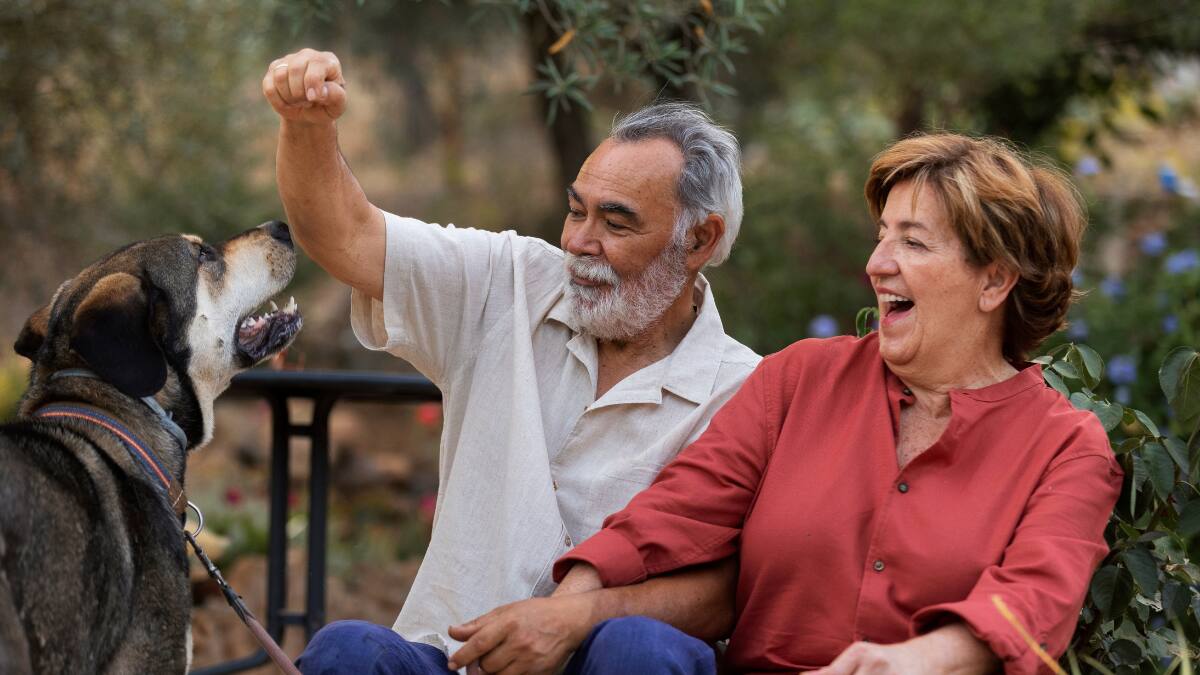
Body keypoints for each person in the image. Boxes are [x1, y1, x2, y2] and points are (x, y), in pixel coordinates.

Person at [450, 133, 1123, 674]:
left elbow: (1035, 598)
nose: (877, 262)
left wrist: (913, 660)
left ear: (995, 281)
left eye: (912, 242)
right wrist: (568, 611)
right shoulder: (800, 377)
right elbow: (675, 509)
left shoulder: (1068, 446)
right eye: (882, 234)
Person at [259, 48, 761, 674]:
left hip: (604, 664)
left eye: (616, 222)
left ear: (700, 240)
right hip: (452, 658)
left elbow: (728, 591)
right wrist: (307, 126)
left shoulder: (746, 391)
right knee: (347, 651)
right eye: (576, 210)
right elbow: (346, 236)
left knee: (640, 650)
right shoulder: (511, 278)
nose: (579, 241)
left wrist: (570, 621)